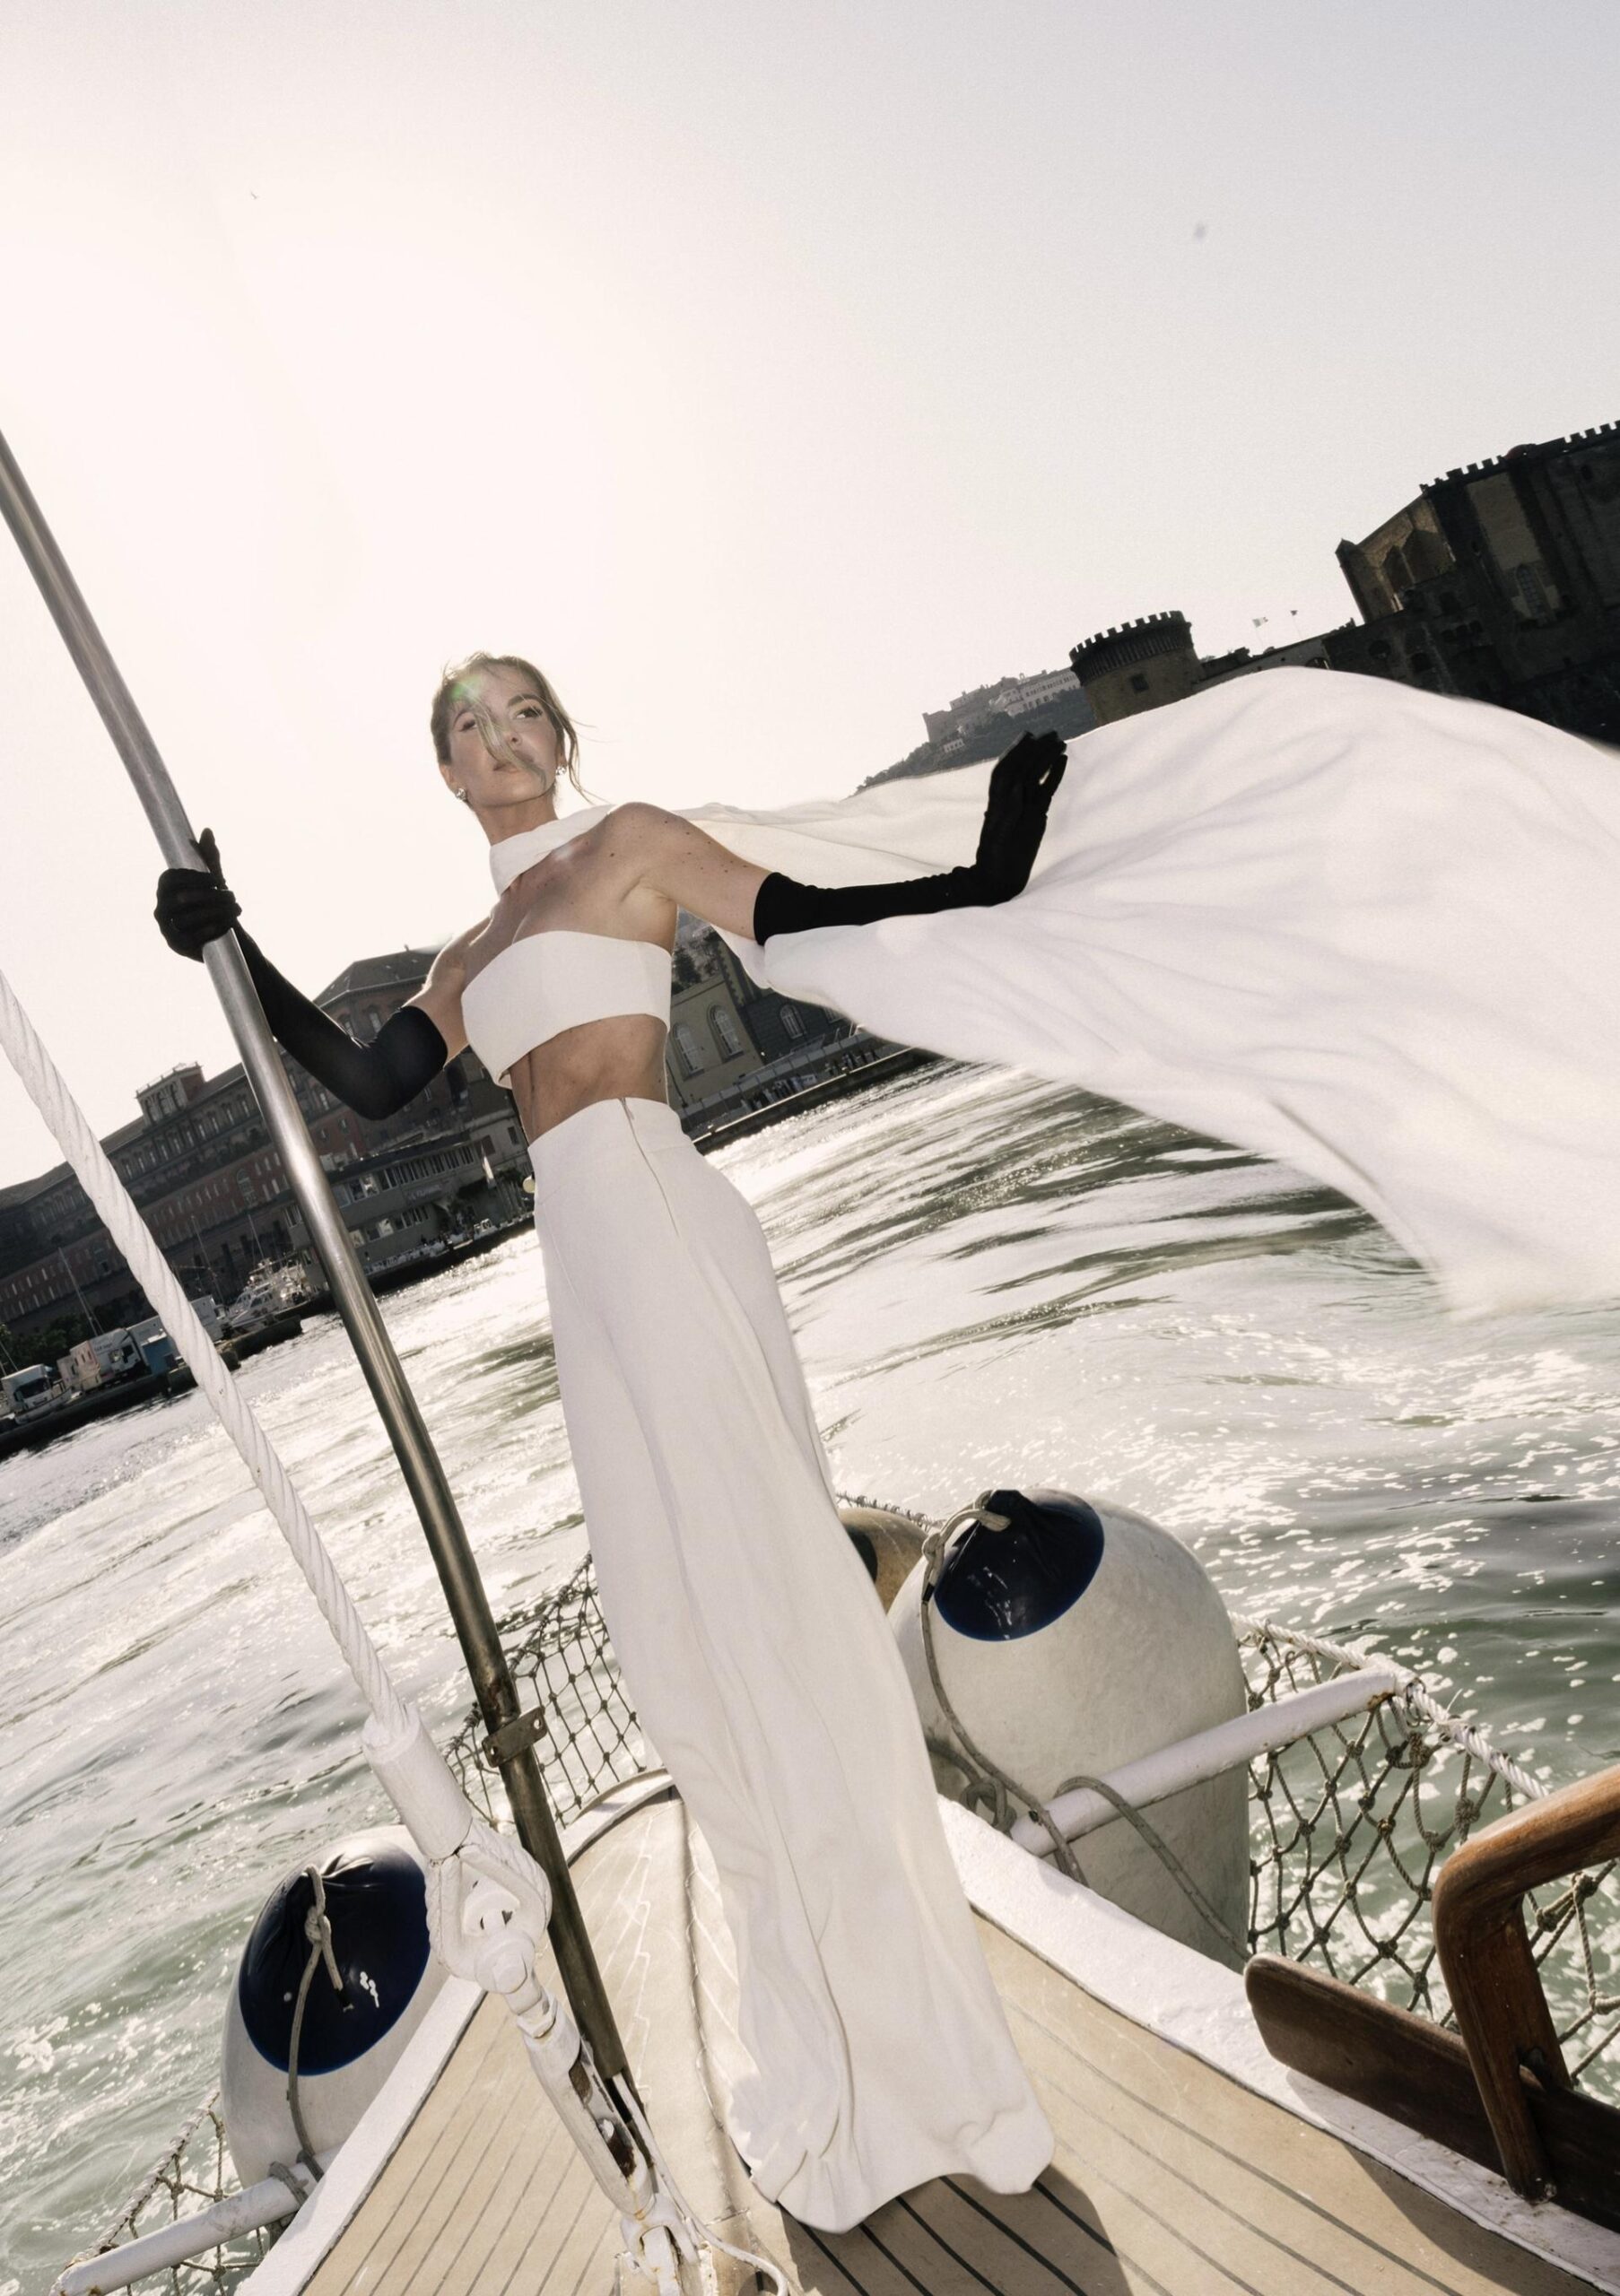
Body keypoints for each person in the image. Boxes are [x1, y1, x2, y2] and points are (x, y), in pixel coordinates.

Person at [155, 650, 1066, 2232]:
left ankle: (922, 2045)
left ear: (557, 739)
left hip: (654, 1205)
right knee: (671, 1640)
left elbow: (796, 913)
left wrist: (991, 863)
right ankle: (819, 2022)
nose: (498, 738)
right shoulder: (468, 950)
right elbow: (372, 1085)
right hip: (576, 1254)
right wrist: (234, 944)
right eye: (468, 725)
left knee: (769, 1607)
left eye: (521, 712)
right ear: (447, 774)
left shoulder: (630, 845)